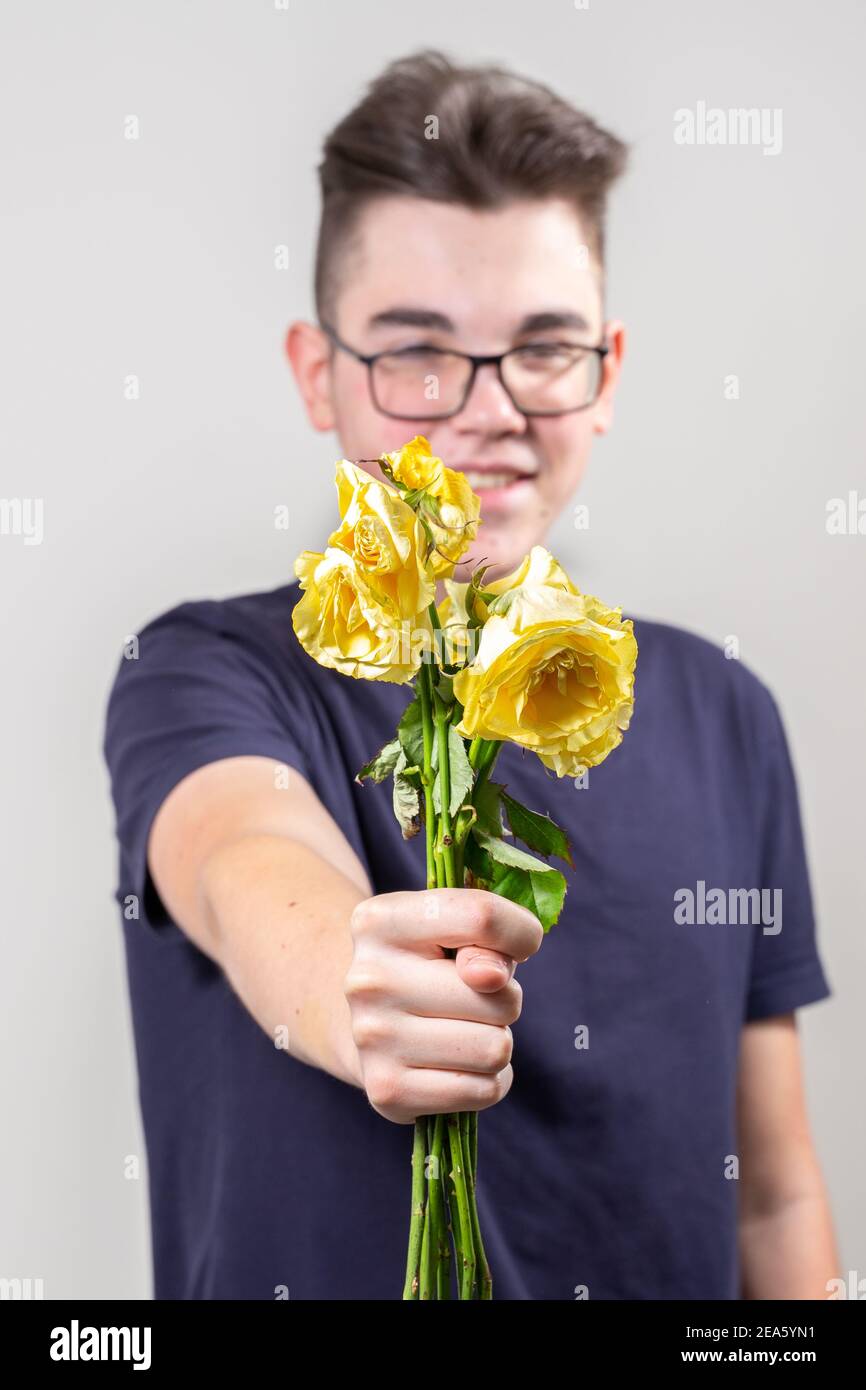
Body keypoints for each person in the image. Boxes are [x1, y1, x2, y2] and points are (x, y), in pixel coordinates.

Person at [103, 48, 839, 1300]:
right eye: (416, 350)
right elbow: (241, 862)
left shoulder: (727, 715)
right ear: (315, 371)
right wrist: (351, 988)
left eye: (542, 347)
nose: (487, 409)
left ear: (605, 372)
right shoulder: (207, 670)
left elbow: (771, 1195)